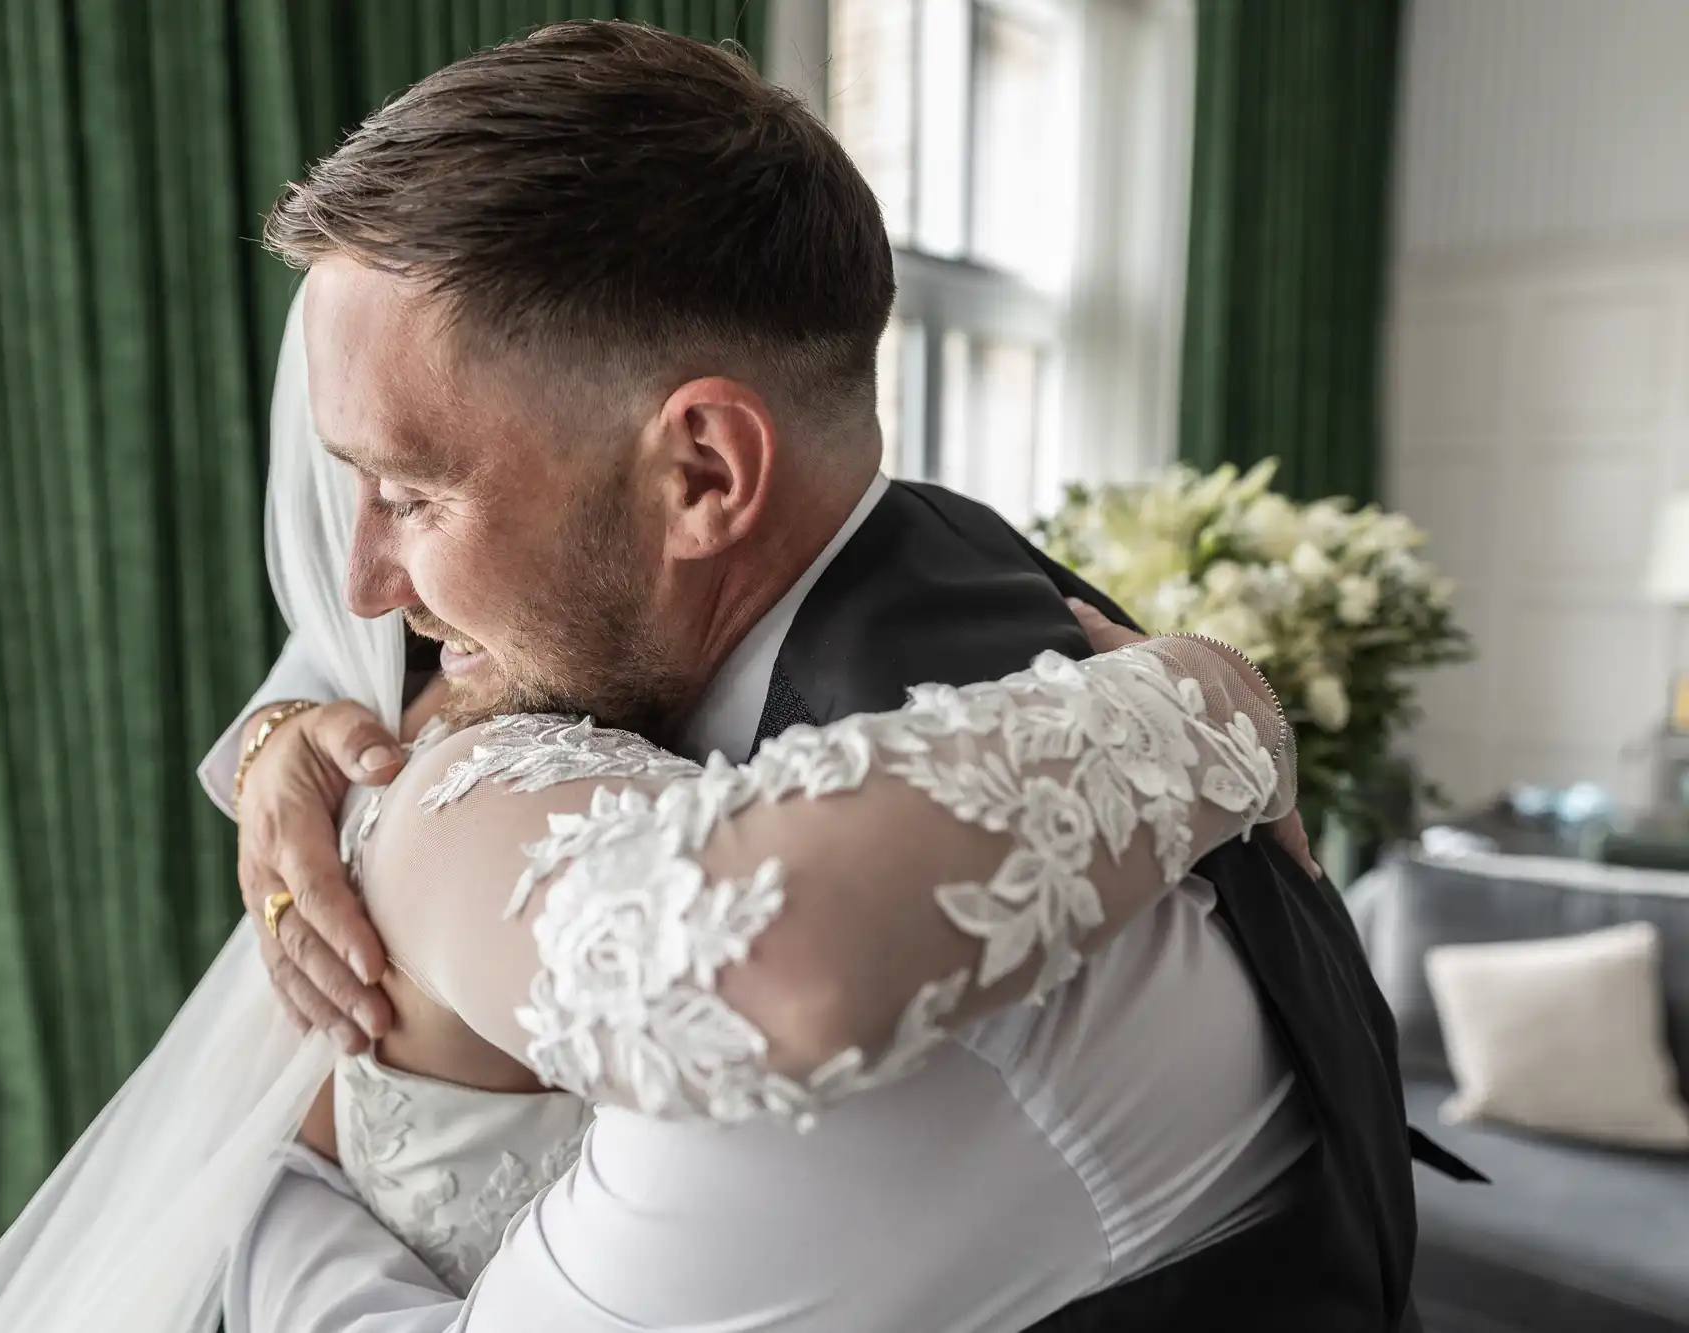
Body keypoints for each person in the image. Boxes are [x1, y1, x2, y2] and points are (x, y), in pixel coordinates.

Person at [214, 21, 1475, 1331]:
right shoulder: (963, 573)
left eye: (411, 493)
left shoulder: (915, 1014)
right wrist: (283, 741)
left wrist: (254, 1184)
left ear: (703, 472)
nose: (365, 587)